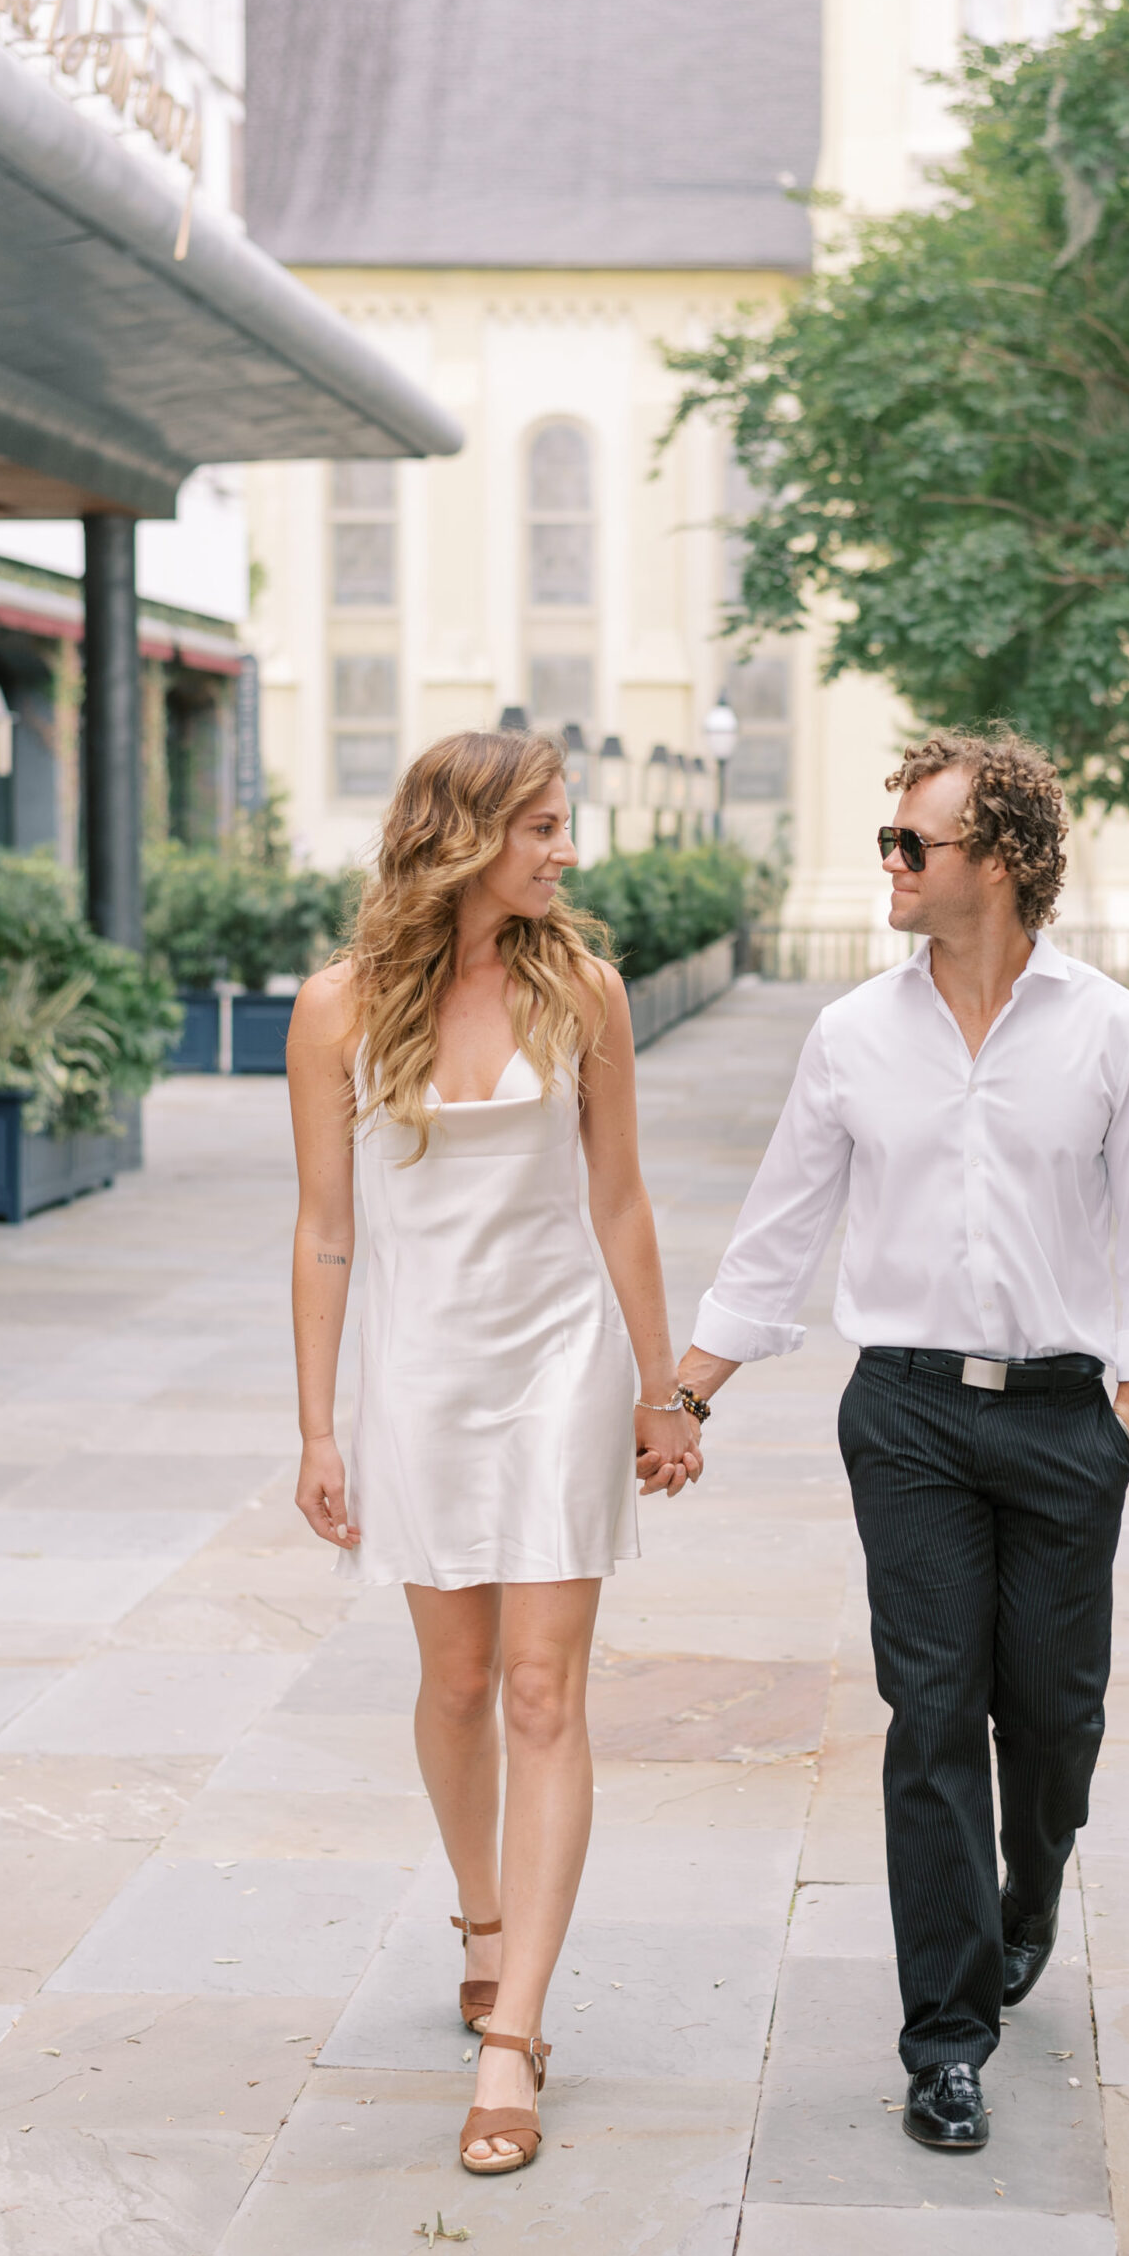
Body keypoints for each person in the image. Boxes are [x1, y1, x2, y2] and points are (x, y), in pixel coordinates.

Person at [671, 729, 1129, 2151]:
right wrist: (688, 1389)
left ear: (1008, 862)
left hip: (1058, 1417)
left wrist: (1125, 1424)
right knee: (928, 1717)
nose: (892, 866)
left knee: (1051, 1719)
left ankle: (1031, 1886)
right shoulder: (852, 1034)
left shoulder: (1112, 1033)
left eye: (919, 844)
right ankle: (944, 2037)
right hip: (903, 1411)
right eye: (889, 841)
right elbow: (781, 1225)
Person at [285, 729, 703, 2178]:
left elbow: (624, 1203)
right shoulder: (337, 1009)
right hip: (418, 1382)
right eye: (541, 825)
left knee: (541, 1687)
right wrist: (315, 1425)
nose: (565, 850)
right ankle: (481, 1915)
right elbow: (325, 1230)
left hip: (558, 1372)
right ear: (463, 836)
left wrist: (666, 1390)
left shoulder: (582, 990)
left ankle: (514, 2035)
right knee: (456, 1680)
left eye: (564, 823)